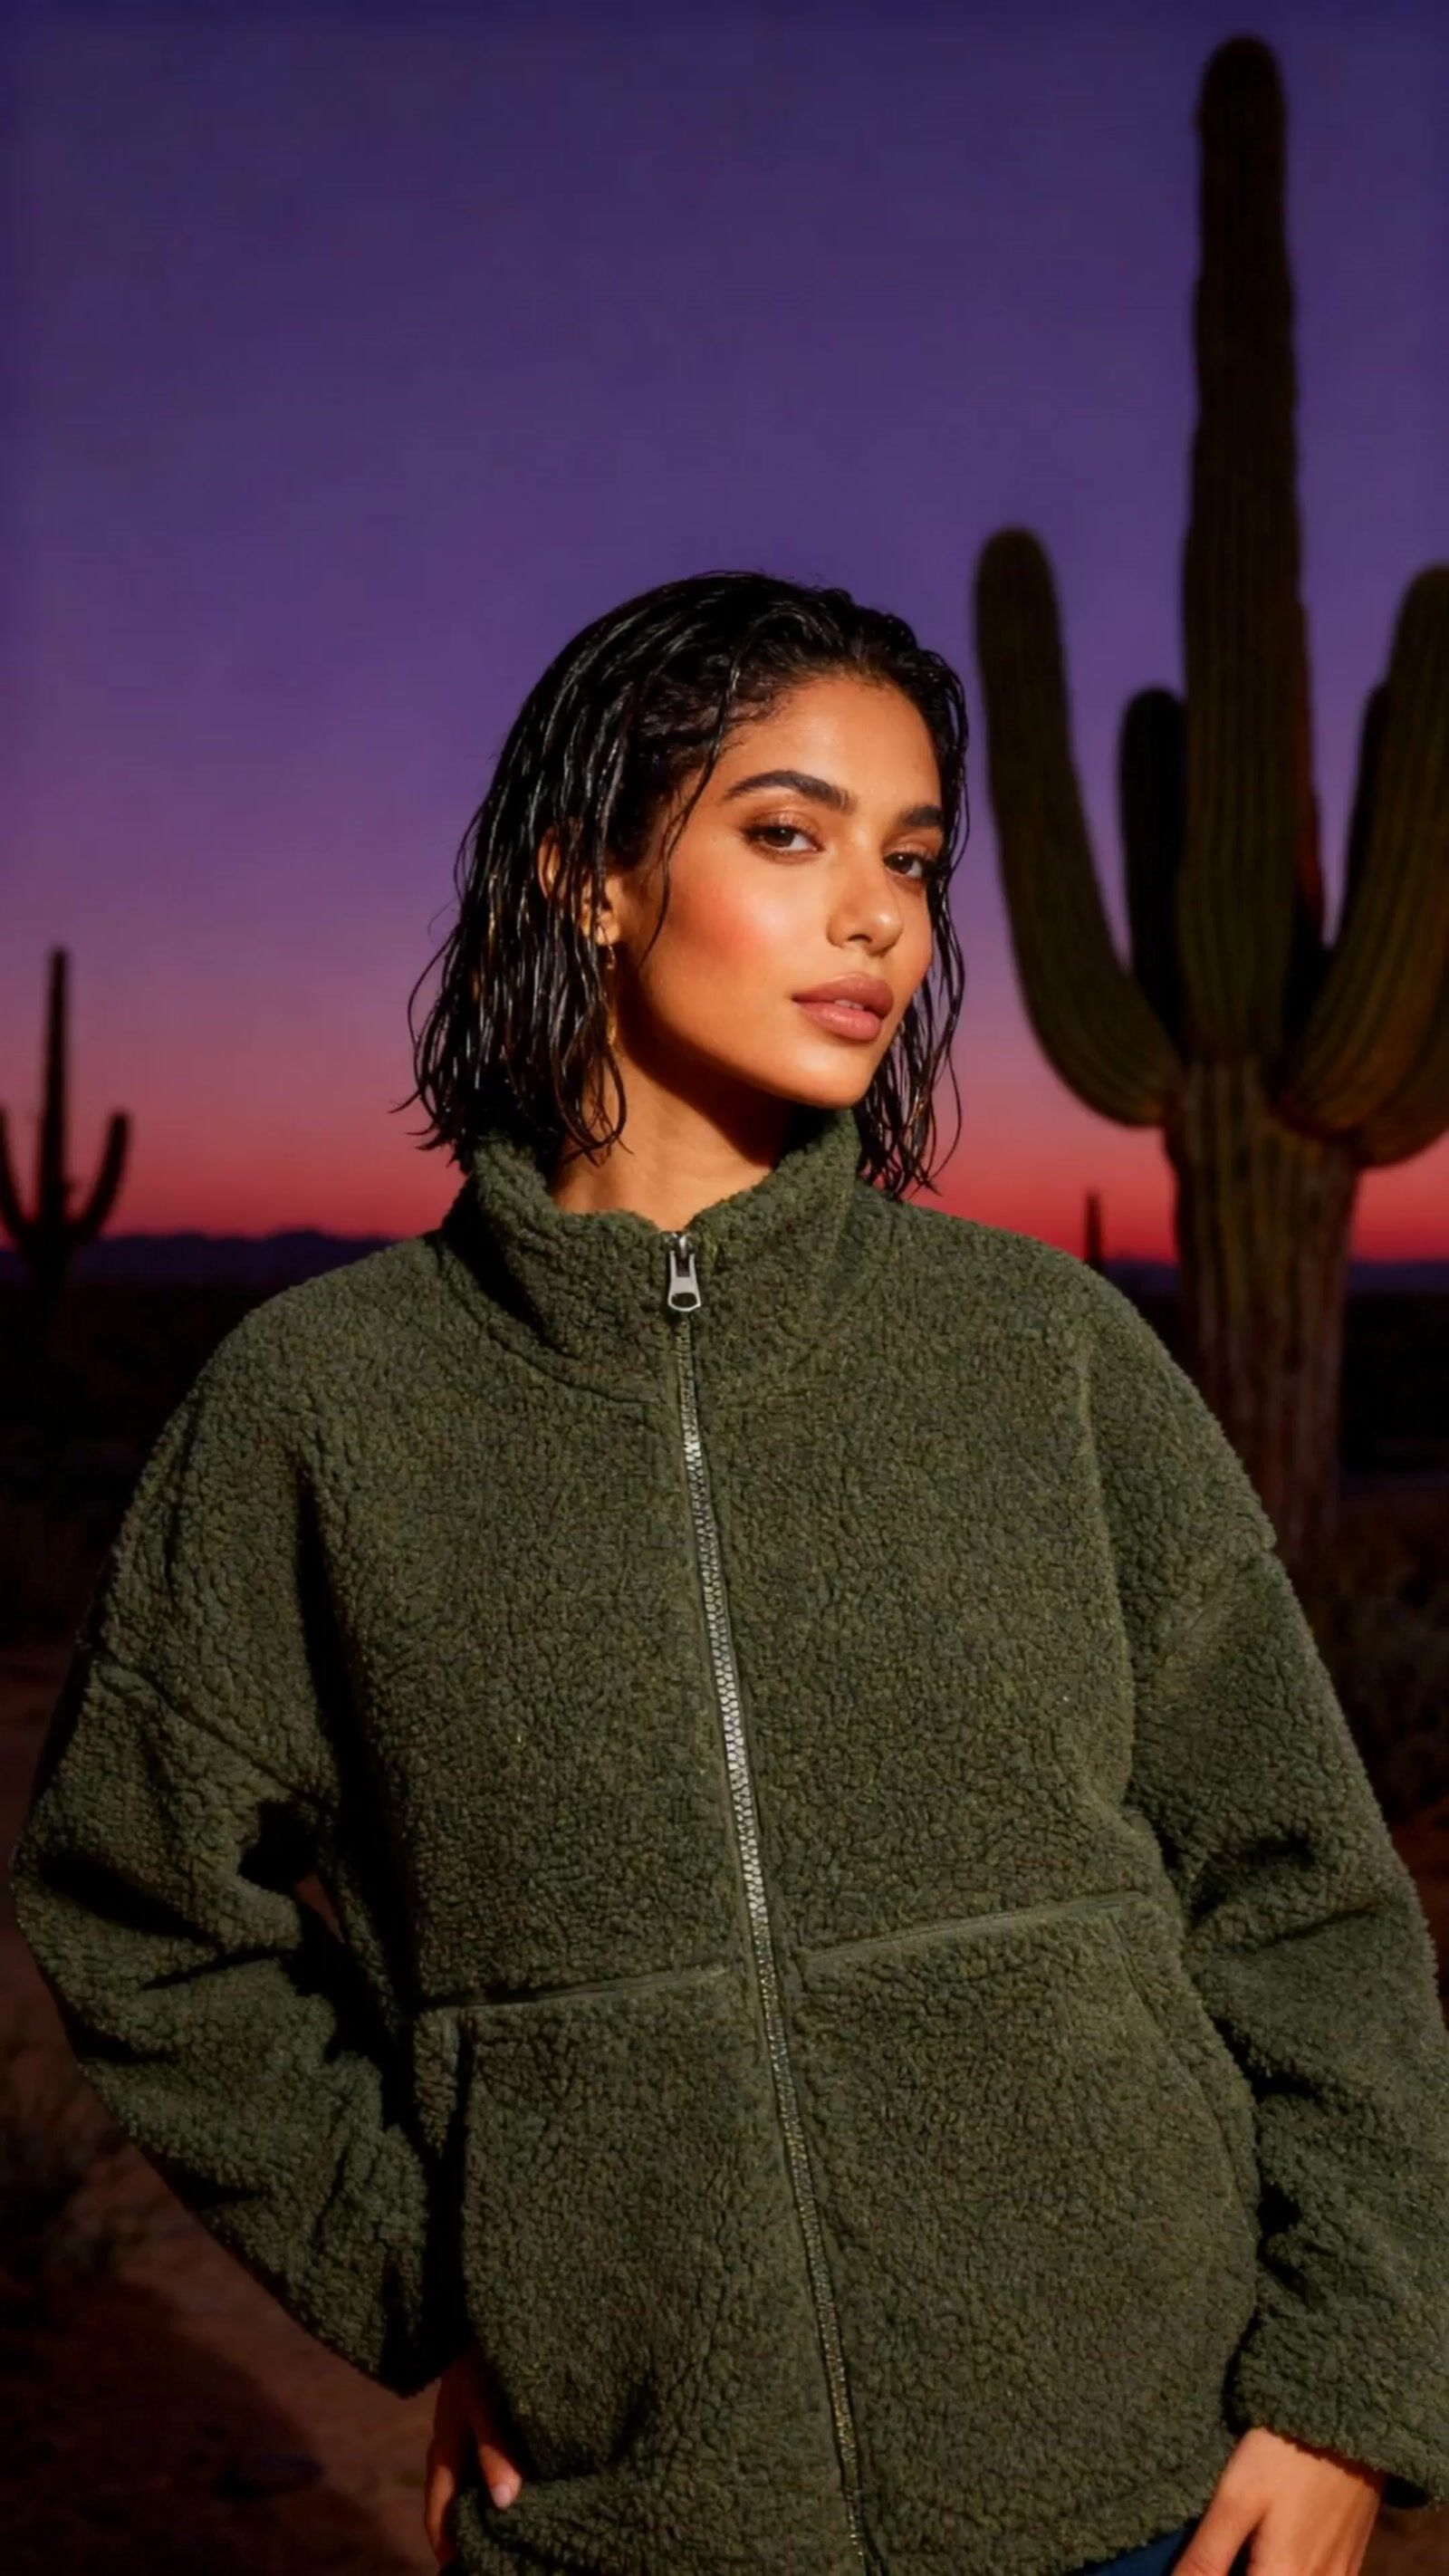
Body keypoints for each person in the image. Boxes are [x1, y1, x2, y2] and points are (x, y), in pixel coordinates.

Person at [9, 571, 1447, 2576]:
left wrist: (1349, 2383)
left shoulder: (1041, 1359)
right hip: (631, 2529)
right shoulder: (324, 1409)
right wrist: (451, 2267)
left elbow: (1304, 1904)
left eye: (914, 859)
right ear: (586, 879)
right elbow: (135, 1905)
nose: (878, 912)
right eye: (787, 832)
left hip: (1142, 2499)